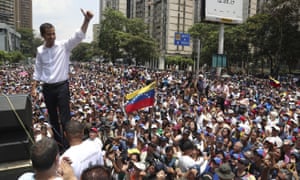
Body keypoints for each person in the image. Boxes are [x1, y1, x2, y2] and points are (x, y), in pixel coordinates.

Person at [31, 9, 94, 150]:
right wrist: (33, 88)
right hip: (47, 88)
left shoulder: (63, 46)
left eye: (54, 33)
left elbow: (78, 36)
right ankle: (59, 145)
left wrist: (87, 20)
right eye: (49, 34)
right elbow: (38, 69)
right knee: (53, 118)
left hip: (62, 86)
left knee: (65, 118)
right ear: (43, 35)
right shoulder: (40, 50)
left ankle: (68, 145)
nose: (52, 36)